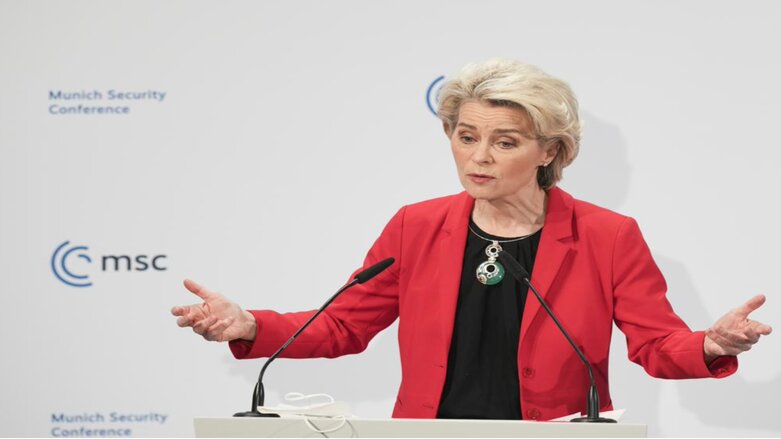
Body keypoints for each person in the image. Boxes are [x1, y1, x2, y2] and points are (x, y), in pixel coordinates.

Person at [171, 59, 772, 421]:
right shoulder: (416, 225)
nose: (478, 157)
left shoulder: (608, 237)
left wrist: (712, 344)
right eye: (465, 136)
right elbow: (343, 326)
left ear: (551, 153)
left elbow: (657, 345)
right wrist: (250, 325)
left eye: (505, 142)